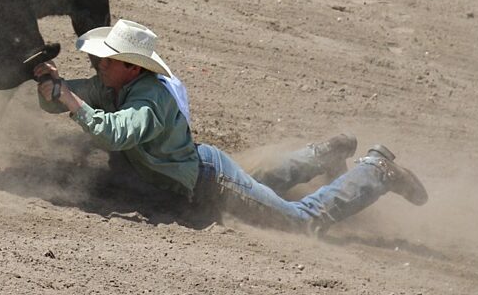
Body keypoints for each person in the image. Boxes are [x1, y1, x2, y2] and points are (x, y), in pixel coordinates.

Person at [32, 18, 427, 234]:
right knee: (263, 183)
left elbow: (112, 132)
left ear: (132, 67)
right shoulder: (114, 84)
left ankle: (375, 171)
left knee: (301, 220)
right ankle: (323, 154)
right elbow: (68, 99)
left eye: (107, 59)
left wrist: (66, 96)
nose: (99, 64)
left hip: (210, 180)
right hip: (204, 171)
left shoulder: (150, 99)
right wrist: (51, 85)